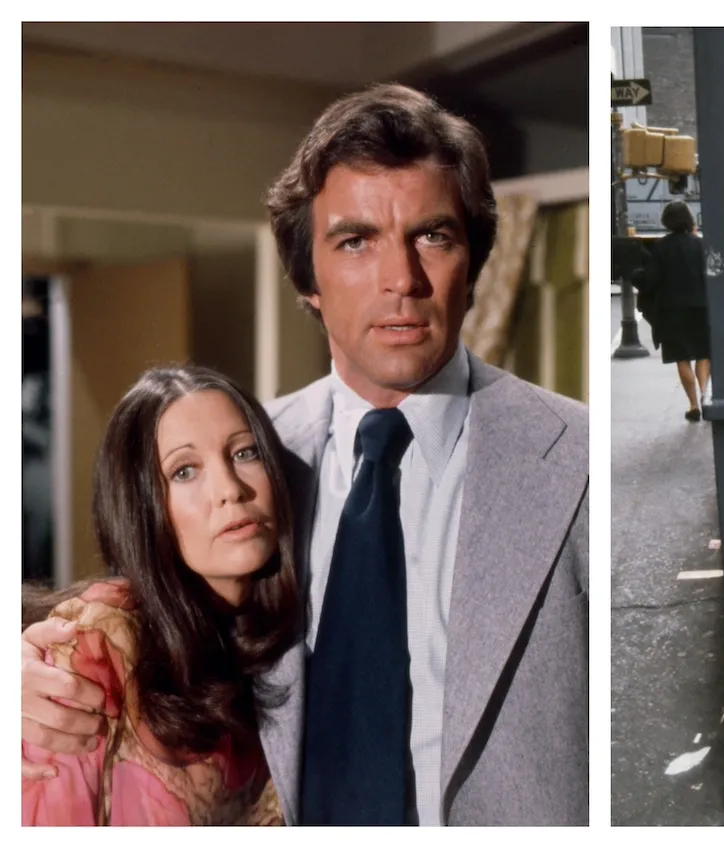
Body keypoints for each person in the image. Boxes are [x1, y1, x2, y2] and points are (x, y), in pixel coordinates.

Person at [21, 83, 589, 826]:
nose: (402, 280)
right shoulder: (255, 463)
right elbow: (155, 625)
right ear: (308, 278)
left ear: (474, 262)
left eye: (433, 236)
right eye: (356, 241)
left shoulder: (575, 458)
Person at [22, 365, 300, 825]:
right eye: (185, 471)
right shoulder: (98, 647)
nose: (231, 490)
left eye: (245, 452)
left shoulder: (281, 633)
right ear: (143, 505)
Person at [642, 200, 711, 421]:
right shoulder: (700, 245)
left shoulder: (660, 247)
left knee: (682, 358)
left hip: (672, 310)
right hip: (700, 307)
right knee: (703, 354)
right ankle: (705, 397)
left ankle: (692, 405)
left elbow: (651, 279)